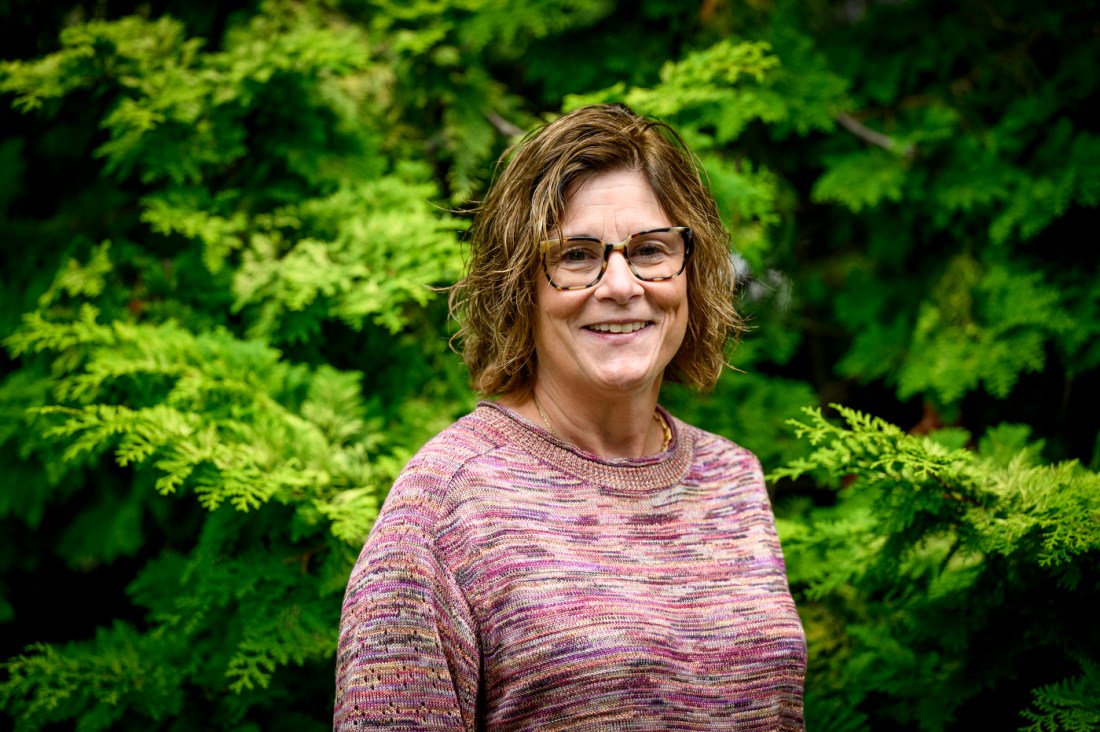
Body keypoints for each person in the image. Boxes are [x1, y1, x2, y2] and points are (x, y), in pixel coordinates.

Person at [334, 103, 806, 730]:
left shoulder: (732, 479)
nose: (619, 284)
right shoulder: (446, 505)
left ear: (690, 269)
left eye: (651, 249)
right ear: (519, 284)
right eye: (577, 255)